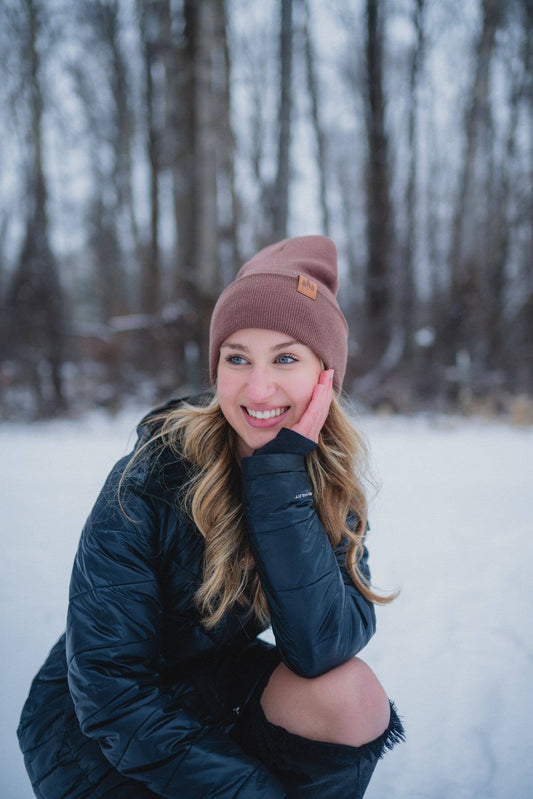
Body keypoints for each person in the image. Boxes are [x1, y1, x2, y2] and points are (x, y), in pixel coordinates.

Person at [18, 236, 404, 798]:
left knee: (349, 694)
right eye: (237, 358)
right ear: (216, 367)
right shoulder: (150, 478)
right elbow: (109, 690)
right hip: (91, 729)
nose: (259, 387)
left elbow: (323, 647)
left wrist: (279, 487)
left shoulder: (318, 479)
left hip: (212, 685)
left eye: (287, 358)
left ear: (327, 378)